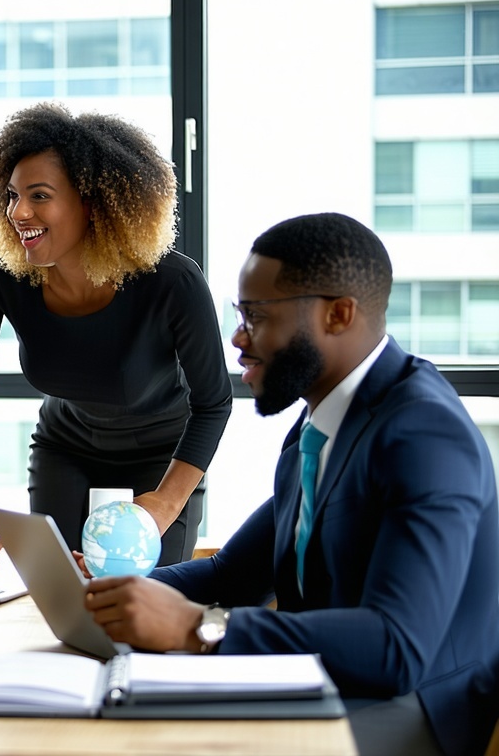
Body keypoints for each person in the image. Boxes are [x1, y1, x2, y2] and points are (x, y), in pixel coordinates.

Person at [83, 213, 499, 756]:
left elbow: (398, 648)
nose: (237, 337)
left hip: (417, 710)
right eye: (240, 314)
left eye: (256, 317)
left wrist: (201, 629)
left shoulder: (424, 434)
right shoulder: (320, 420)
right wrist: (113, 591)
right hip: (325, 686)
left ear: (338, 314)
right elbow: (233, 573)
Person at [0, 102, 232, 565]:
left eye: (39, 195)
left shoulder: (172, 283)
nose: (18, 212)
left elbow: (213, 403)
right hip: (65, 446)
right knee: (58, 593)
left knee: (150, 601)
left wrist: (166, 503)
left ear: (92, 202)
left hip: (162, 456)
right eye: (11, 195)